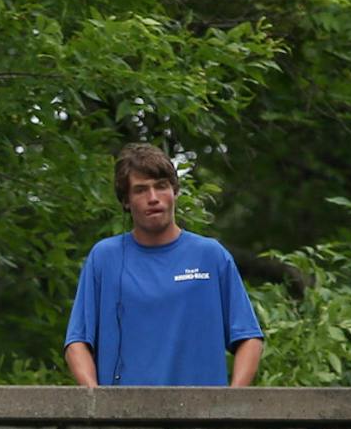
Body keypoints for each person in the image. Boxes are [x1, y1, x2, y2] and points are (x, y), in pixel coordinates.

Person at [63, 144, 263, 388]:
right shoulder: (104, 258)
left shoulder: (211, 256)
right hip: (124, 418)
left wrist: (230, 405)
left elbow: (249, 339)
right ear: (126, 201)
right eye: (141, 190)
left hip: (202, 417)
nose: (153, 198)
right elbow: (77, 344)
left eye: (161, 186)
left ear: (175, 191)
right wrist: (97, 404)